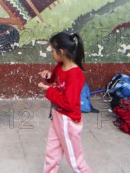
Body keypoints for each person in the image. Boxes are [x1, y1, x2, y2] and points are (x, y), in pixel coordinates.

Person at [37, 32, 92, 173]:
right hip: (57, 116)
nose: (52, 54)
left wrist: (49, 90)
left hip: (68, 121)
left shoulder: (75, 74)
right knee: (52, 150)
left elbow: (68, 103)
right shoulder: (60, 65)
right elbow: (56, 79)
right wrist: (49, 77)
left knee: (75, 160)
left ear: (61, 52)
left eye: (52, 51)